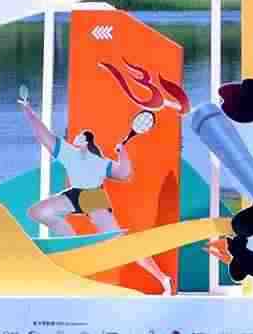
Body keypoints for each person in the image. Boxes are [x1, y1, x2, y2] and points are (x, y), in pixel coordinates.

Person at [16, 93, 172, 287]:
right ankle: (73, 247)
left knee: (118, 241)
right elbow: (43, 136)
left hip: (93, 197)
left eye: (79, 135)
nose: (74, 137)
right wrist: (28, 111)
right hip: (73, 194)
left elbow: (124, 174)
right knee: (38, 212)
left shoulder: (99, 162)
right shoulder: (69, 153)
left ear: (85, 141)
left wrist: (122, 152)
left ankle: (162, 278)